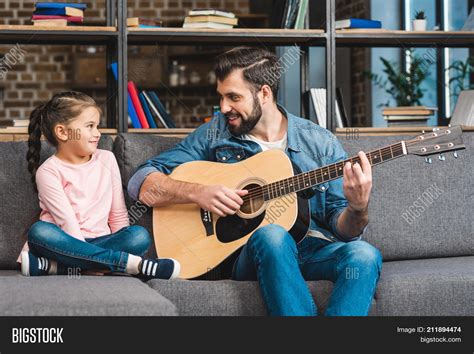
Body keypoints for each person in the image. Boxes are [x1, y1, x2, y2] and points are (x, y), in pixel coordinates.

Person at [128, 47, 382, 316]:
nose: (224, 107)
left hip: (311, 250)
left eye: (233, 97)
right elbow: (140, 182)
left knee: (365, 255)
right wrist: (198, 192)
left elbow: (343, 231)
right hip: (247, 254)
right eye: (222, 97)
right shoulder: (216, 133)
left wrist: (357, 208)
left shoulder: (319, 142)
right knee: (272, 234)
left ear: (264, 93)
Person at [19, 91, 180, 280]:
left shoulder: (107, 159)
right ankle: (131, 265)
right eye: (90, 126)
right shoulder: (48, 172)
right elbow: (67, 222)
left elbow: (118, 215)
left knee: (138, 236)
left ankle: (59, 268)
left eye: (97, 126)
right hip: (64, 241)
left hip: (101, 242)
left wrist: (82, 259)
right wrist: (82, 253)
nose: (98, 133)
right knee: (39, 232)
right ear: (62, 132)